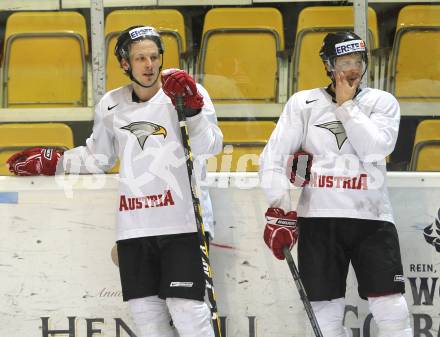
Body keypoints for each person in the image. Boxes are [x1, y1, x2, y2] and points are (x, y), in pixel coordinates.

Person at [7, 25, 223, 337]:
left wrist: (194, 113)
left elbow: (210, 146)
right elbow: (98, 157)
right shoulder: (110, 104)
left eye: (153, 57)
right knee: (146, 317)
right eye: (140, 59)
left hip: (183, 223)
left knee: (188, 311)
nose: (149, 65)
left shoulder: (185, 91)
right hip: (134, 225)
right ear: (125, 63)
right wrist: (56, 161)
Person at [259, 32, 413, 337]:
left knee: (391, 310)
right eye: (344, 62)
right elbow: (272, 158)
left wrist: (346, 106)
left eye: (357, 61)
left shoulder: (382, 102)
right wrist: (280, 208)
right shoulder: (303, 103)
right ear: (329, 65)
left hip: (372, 220)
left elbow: (374, 149)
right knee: (325, 317)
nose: (353, 69)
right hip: (319, 221)